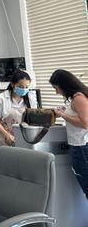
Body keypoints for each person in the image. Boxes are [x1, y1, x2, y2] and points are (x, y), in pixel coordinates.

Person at [49, 69, 88, 199]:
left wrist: (63, 115)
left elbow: (84, 123)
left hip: (81, 147)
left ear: (63, 85)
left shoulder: (78, 98)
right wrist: (66, 111)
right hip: (80, 146)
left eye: (56, 88)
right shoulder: (78, 97)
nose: (56, 92)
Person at [0, 70, 38, 160]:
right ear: (13, 85)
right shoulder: (1, 99)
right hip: (5, 139)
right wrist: (7, 135)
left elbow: (34, 118)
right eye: (21, 86)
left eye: (26, 87)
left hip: (25, 139)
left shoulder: (30, 98)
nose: (24, 89)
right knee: (7, 169)